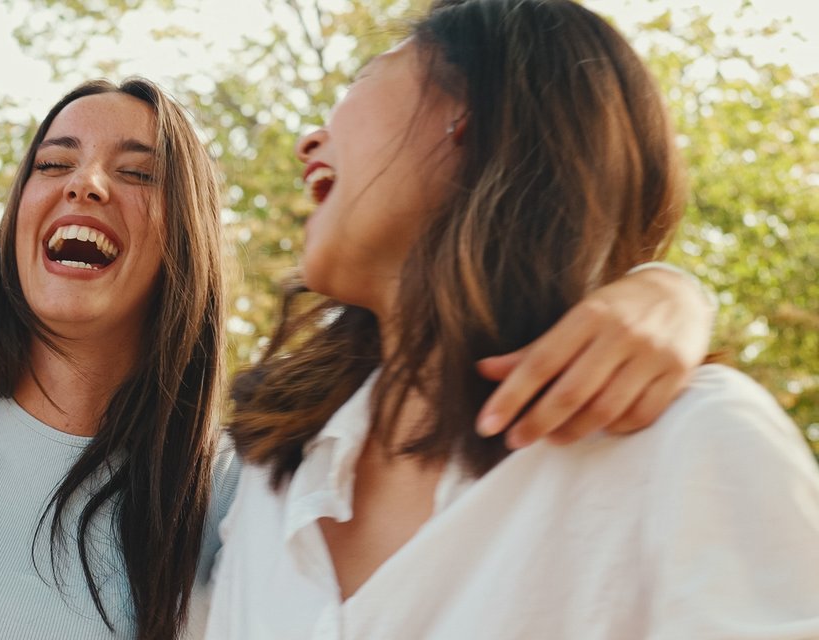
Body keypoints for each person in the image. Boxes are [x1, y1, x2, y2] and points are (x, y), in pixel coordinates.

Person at [0, 76, 716, 637]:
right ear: (20, 218)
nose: (88, 184)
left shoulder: (245, 489)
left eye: (139, 170)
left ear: (183, 241)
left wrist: (667, 290)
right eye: (55, 160)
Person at [209, 1, 819, 637]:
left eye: (362, 79)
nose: (308, 141)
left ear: (470, 118)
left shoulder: (691, 442)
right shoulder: (267, 480)